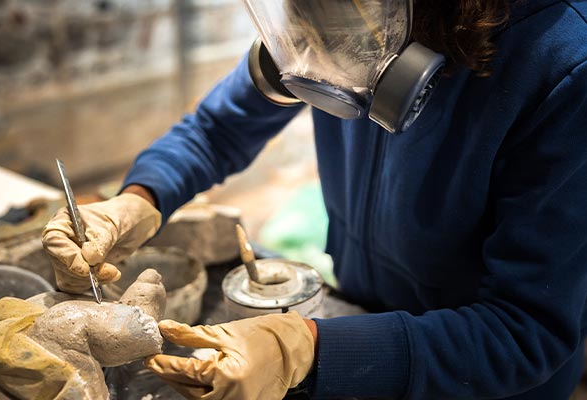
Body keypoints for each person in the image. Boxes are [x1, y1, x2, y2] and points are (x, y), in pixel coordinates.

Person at [42, 0, 587, 399]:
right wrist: (139, 200)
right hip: (359, 316)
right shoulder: (333, 12)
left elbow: (525, 330)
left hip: (483, 375)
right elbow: (216, 130)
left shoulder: (565, 68)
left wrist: (303, 347)